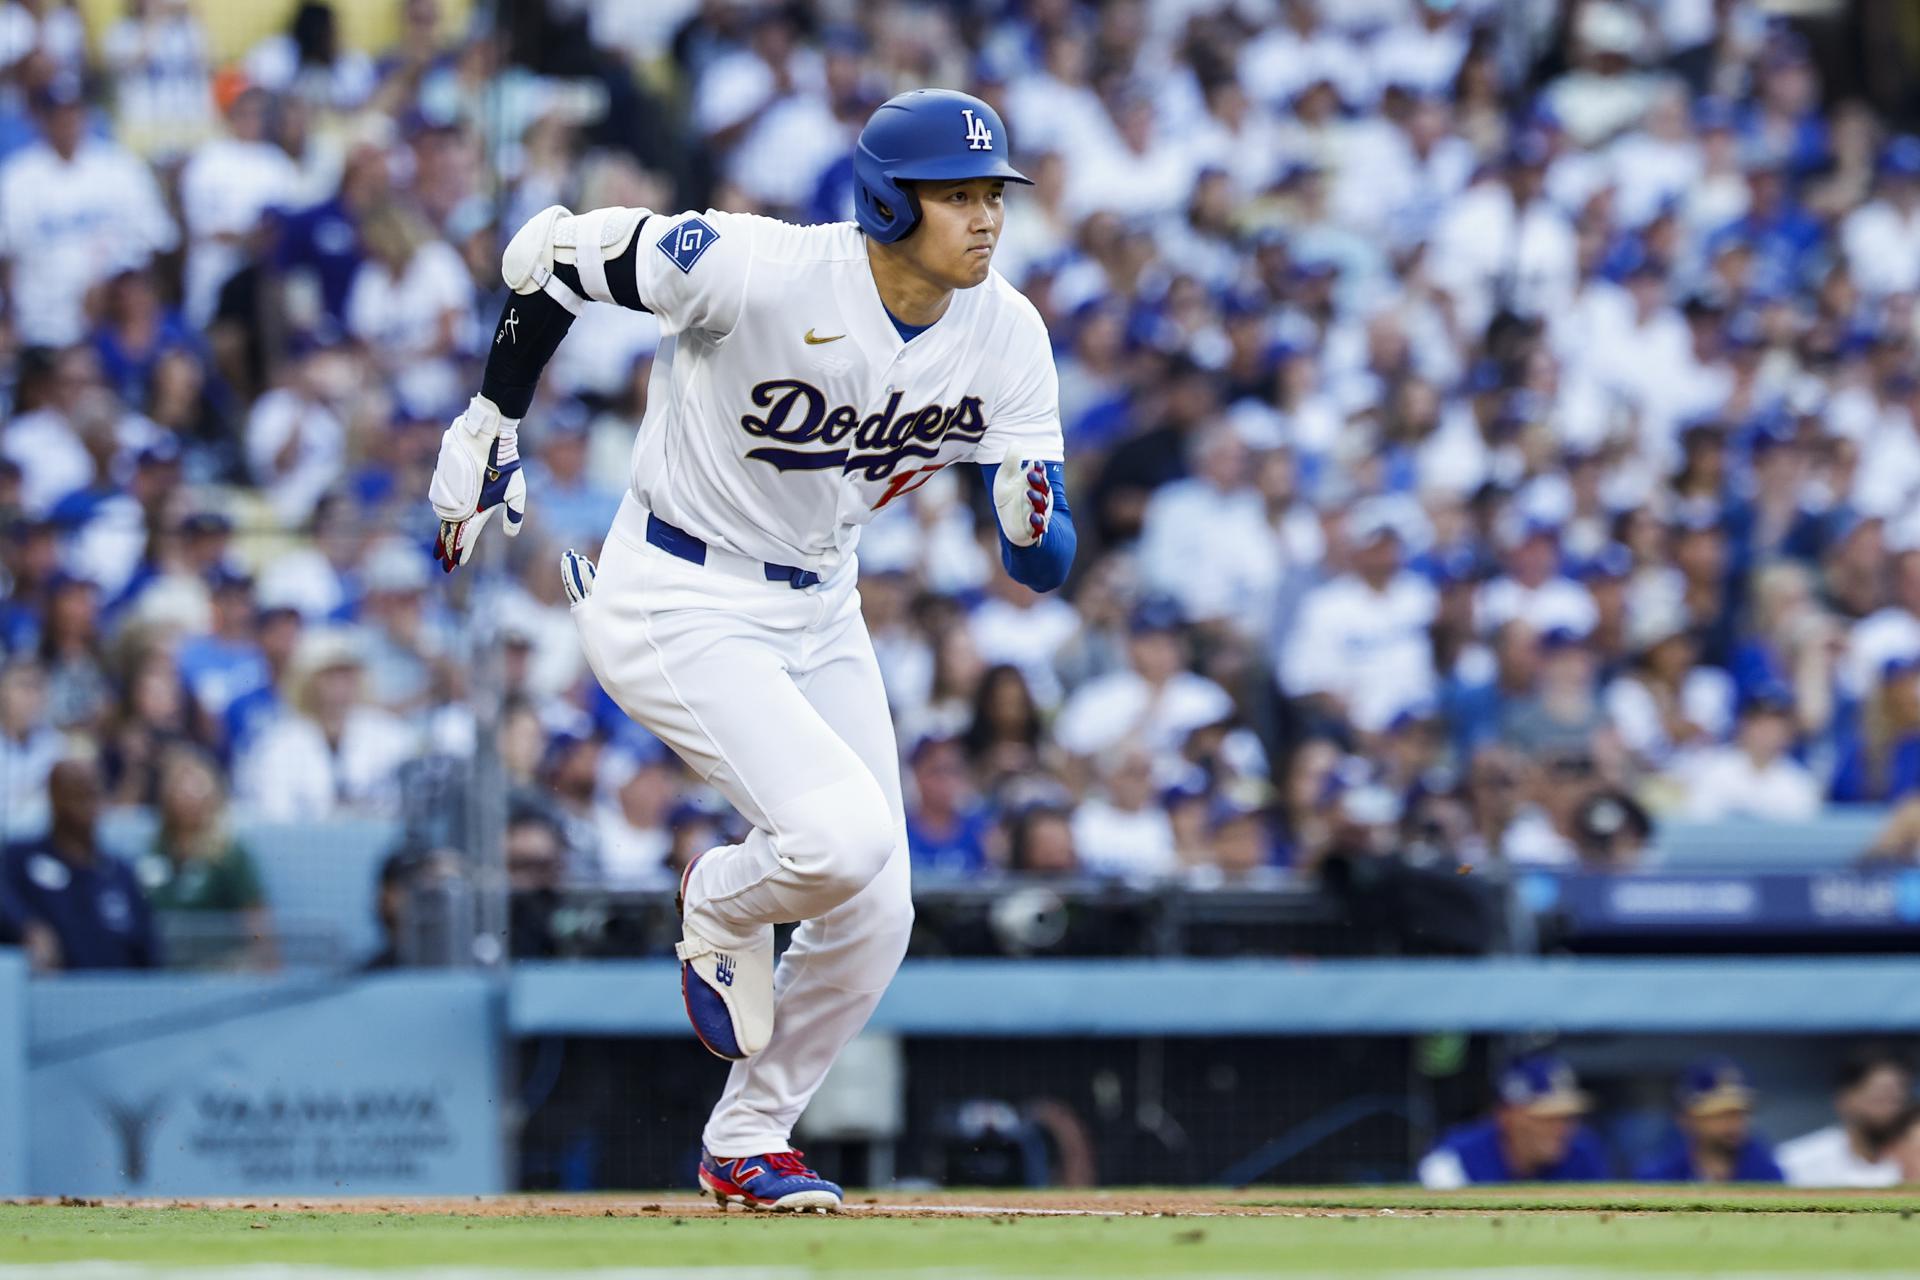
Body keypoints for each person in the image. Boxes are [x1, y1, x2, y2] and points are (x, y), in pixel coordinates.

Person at [427, 89, 1074, 1212]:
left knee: (879, 908)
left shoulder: (1005, 330)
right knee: (838, 835)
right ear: (886, 201)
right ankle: (722, 898)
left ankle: (748, 1137)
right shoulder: (759, 268)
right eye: (957, 196)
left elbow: (1044, 559)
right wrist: (493, 416)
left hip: (822, 604)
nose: (985, 218)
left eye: (992, 196)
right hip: (676, 591)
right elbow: (550, 254)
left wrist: (1033, 524)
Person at [0, 755, 159, 970]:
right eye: (74, 794)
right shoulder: (21, 859)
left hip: (116, 995)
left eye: (92, 793)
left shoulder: (120, 873)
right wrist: (27, 927)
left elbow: (148, 952)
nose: (87, 805)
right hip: (48, 995)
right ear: (54, 798)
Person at [1418, 1054, 1608, 1187]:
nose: (1561, 1129)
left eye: (1566, 1117)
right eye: (1546, 1118)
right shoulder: (1455, 1157)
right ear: (1507, 1116)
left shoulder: (1583, 1152)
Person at [1775, 1046, 1911, 1187]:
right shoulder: (1798, 1160)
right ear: (1844, 1099)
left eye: (1897, 1099)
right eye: (1880, 1098)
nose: (1891, 1109)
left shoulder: (1910, 1161)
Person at [1636, 1059, 1785, 1183]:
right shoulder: (1660, 1175)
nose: (1734, 1123)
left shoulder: (1767, 1173)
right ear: (1686, 1119)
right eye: (1719, 1114)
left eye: (1741, 1113)